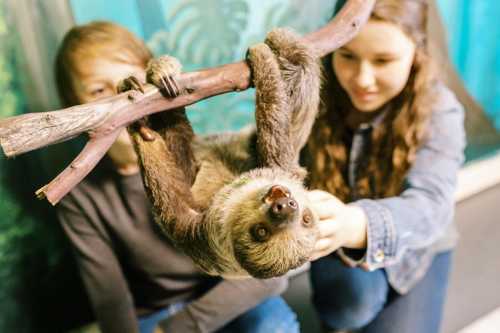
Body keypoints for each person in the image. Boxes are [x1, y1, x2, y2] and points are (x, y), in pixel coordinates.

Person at [54, 21, 299, 333]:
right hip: (156, 307)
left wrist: (179, 328)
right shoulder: (79, 195)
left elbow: (268, 274)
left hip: (227, 291)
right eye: (99, 90)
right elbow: (110, 299)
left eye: (133, 81)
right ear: (72, 107)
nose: (124, 99)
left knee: (273, 325)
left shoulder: (207, 153)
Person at [301, 1, 466, 332]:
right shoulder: (313, 95)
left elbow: (431, 206)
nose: (363, 79)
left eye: (383, 60)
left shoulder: (440, 109)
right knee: (346, 307)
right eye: (347, 56)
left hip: (416, 249)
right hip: (337, 245)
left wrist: (356, 222)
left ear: (415, 52)